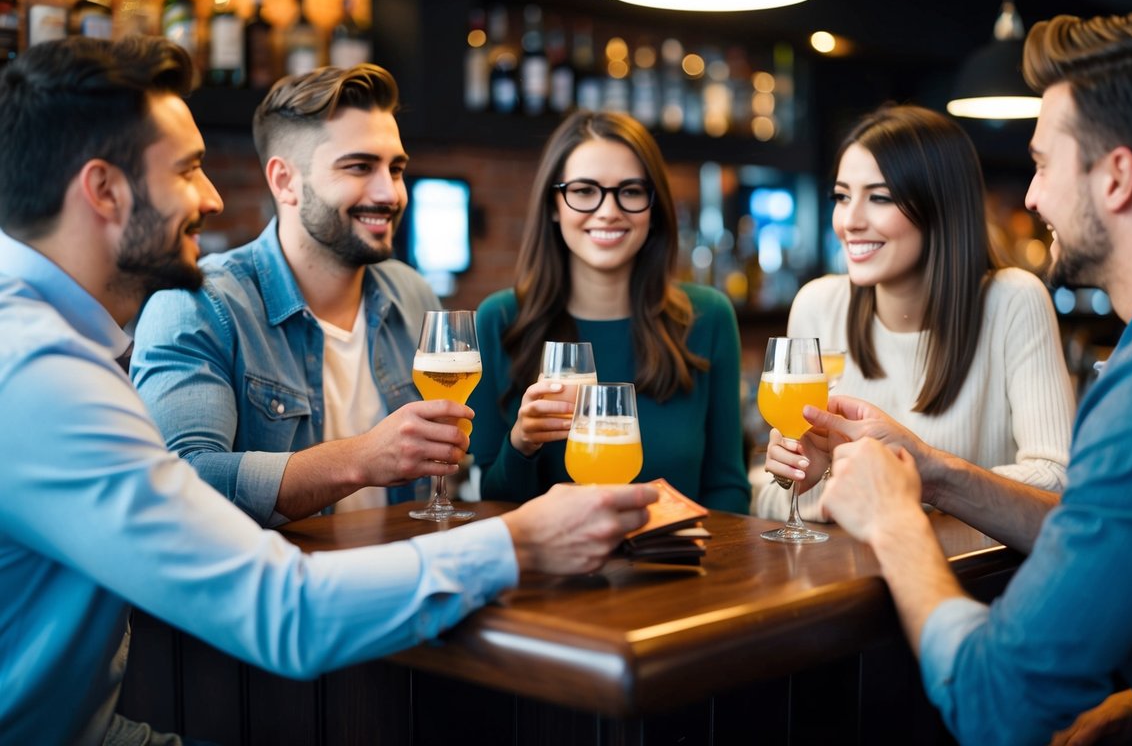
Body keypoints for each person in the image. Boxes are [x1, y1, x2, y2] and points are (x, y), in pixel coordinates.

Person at [0, 36, 657, 745]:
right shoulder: (49, 368)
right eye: (188, 170)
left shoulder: (408, 294)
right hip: (249, 682)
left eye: (396, 168)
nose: (213, 196)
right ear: (103, 190)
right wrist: (514, 539)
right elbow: (276, 602)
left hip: (402, 651)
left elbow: (452, 484)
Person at [814, 12, 1132, 744]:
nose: (1029, 199)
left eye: (1042, 164)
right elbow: (1103, 531)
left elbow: (994, 702)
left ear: (1116, 177)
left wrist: (894, 521)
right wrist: (933, 473)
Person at [131, 63, 459, 525]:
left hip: (404, 581)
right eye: (360, 167)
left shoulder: (412, 293)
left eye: (397, 168)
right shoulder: (197, 304)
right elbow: (181, 481)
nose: (390, 192)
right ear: (285, 181)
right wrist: (361, 459)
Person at [757, 104, 1073, 520]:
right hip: (848, 577)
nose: (849, 221)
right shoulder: (818, 304)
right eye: (841, 196)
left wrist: (913, 476)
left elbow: (1059, 483)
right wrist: (800, 478)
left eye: (880, 197)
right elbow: (766, 504)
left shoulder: (1013, 300)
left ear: (940, 206)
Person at [469, 110, 751, 513]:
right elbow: (493, 502)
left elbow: (728, 488)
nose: (608, 211)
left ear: (653, 207)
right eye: (584, 190)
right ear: (554, 205)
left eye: (631, 191)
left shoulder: (708, 318)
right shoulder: (499, 319)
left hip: (678, 568)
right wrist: (522, 443)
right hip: (545, 574)